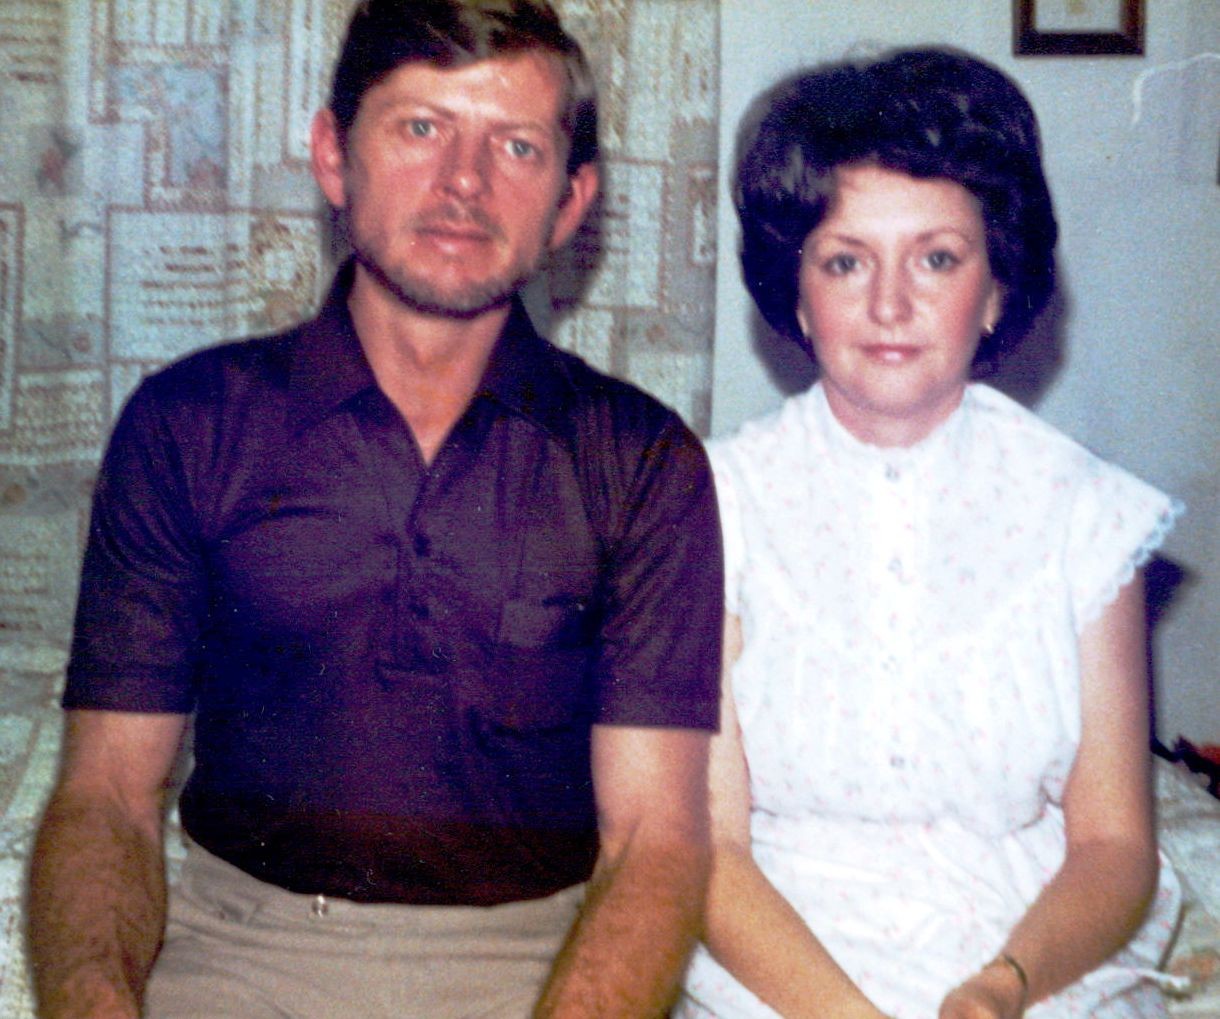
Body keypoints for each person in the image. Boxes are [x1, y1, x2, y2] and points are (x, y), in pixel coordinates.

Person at [27, 2, 722, 1016]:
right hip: (241, 952)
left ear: (571, 203)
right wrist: (93, 998)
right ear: (331, 157)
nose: (463, 181)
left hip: (541, 961)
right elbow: (107, 798)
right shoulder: (188, 426)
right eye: (420, 127)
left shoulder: (642, 462)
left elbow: (655, 843)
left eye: (516, 146)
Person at [678, 48, 1181, 1019]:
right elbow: (708, 850)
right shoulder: (710, 504)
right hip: (777, 969)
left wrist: (1000, 988)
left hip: (1027, 957)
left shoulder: (1086, 512)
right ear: (795, 291)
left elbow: (1115, 847)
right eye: (845, 260)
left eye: (936, 257)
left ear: (996, 289)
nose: (889, 303)